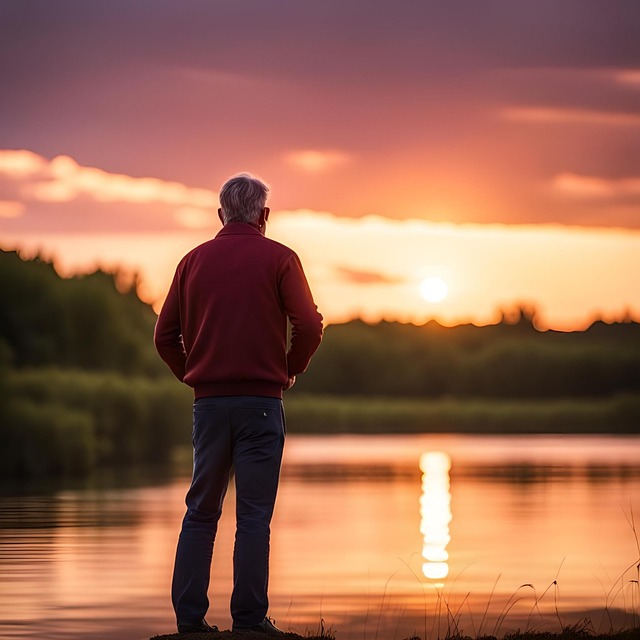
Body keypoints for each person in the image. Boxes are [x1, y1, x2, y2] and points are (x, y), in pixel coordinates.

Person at [154, 173, 323, 635]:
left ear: (221, 214)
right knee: (253, 516)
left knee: (200, 511)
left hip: (209, 406)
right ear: (264, 216)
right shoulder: (281, 258)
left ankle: (190, 622)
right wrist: (291, 367)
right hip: (262, 404)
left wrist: (193, 376)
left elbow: (163, 337)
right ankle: (248, 622)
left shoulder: (192, 262)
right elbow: (309, 325)